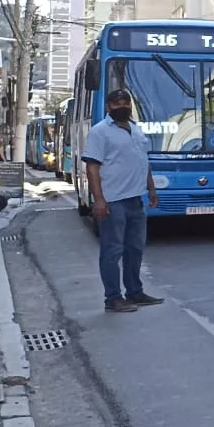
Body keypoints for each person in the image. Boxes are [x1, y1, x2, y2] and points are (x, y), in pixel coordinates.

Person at [82, 88, 163, 313]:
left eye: (125, 103)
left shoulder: (136, 130)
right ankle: (113, 298)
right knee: (112, 251)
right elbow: (92, 167)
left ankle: (135, 292)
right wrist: (98, 199)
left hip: (135, 199)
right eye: (117, 104)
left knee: (135, 248)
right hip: (112, 200)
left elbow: (142, 161)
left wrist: (151, 188)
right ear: (108, 107)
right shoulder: (100, 132)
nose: (122, 107)